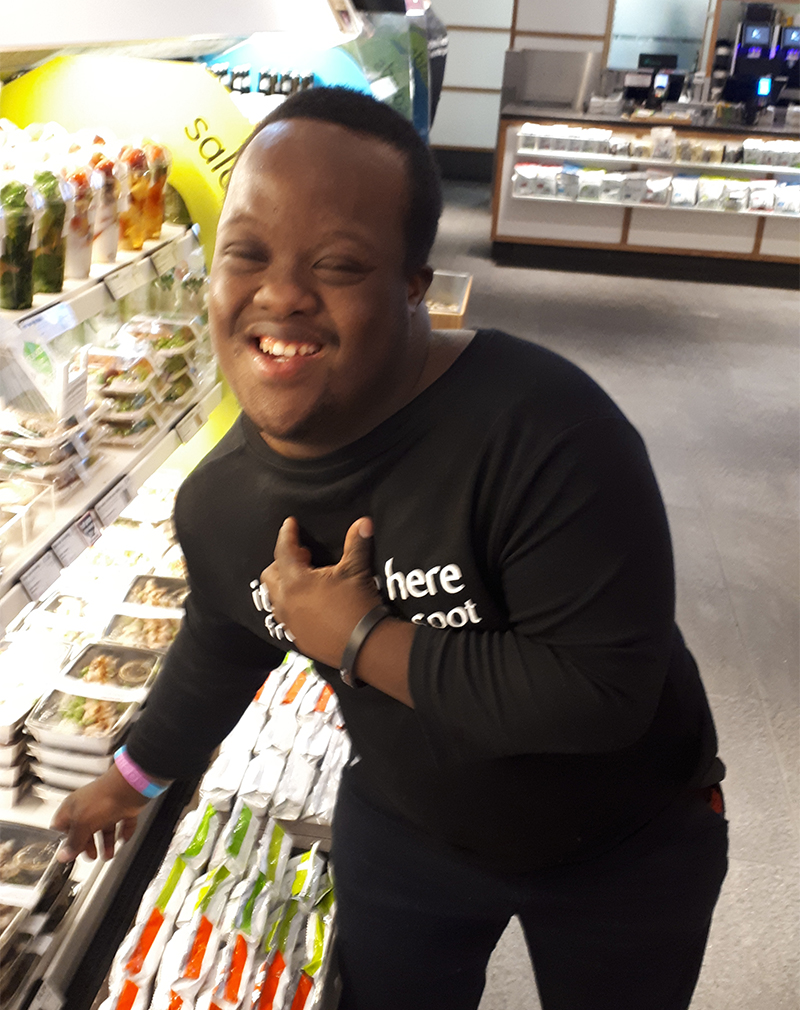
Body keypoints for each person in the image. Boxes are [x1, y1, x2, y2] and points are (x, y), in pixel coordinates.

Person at [53, 87, 728, 1010]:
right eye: (245, 253)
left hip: (631, 836)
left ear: (414, 286)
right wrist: (132, 774)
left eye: (336, 264)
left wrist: (358, 636)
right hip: (411, 832)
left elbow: (600, 698)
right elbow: (228, 631)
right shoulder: (221, 501)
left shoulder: (546, 430)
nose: (280, 294)